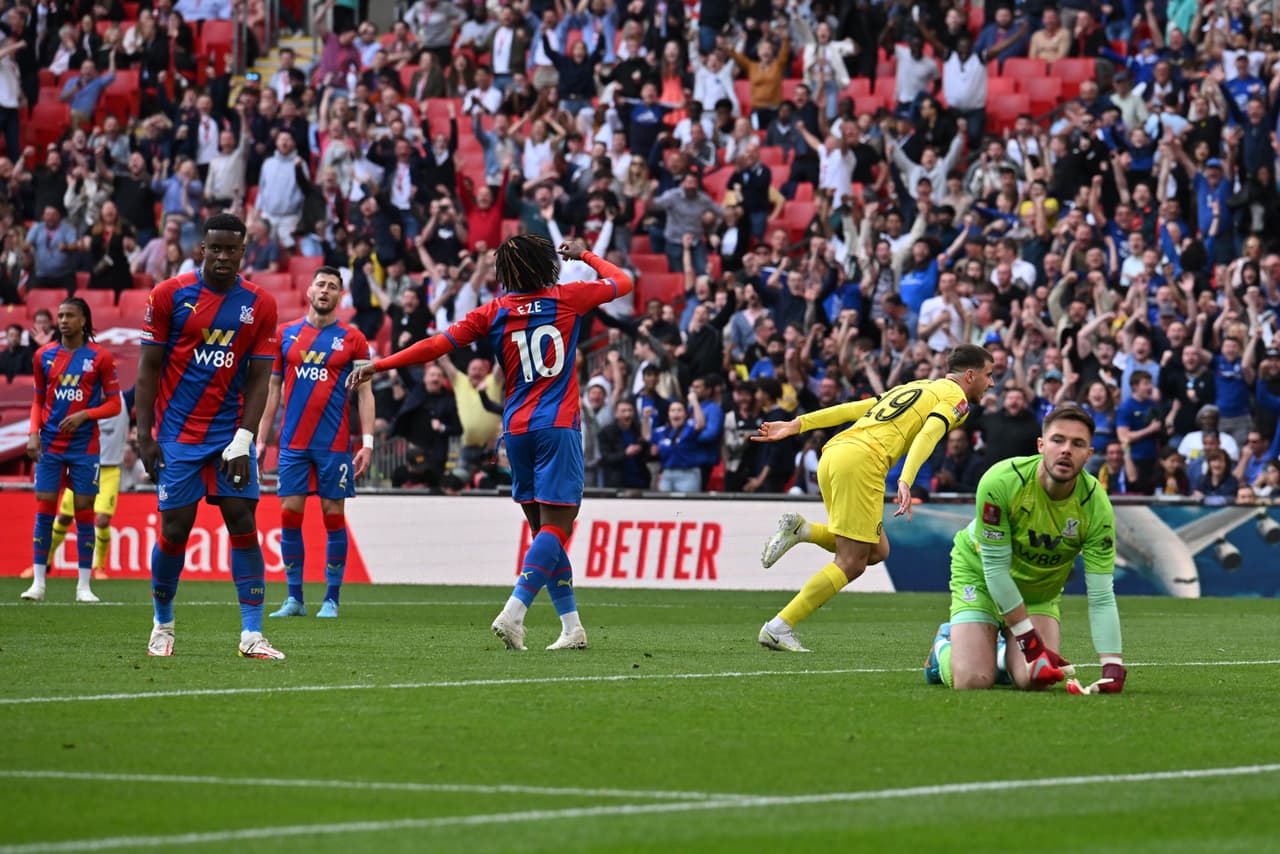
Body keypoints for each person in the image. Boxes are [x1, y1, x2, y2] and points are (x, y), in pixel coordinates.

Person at [349, 235, 633, 651]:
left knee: (542, 531)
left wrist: (381, 364)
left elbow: (435, 345)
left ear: (505, 274)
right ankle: (515, 613)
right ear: (546, 266)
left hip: (516, 429)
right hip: (557, 425)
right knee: (558, 527)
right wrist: (584, 255)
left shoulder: (493, 311)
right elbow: (622, 281)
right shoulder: (569, 297)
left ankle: (572, 628)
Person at [751, 344, 995, 652]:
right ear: (970, 375)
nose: (992, 383)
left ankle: (803, 531)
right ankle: (778, 627)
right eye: (989, 375)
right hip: (863, 463)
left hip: (836, 454)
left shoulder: (918, 386)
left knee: (877, 550)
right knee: (852, 563)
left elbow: (854, 408)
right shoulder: (956, 400)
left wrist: (798, 423)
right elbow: (929, 433)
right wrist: (907, 479)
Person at [136, 213, 284, 660]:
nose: (222, 256)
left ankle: (251, 635)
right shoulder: (168, 296)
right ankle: (163, 624)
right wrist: (144, 435)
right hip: (179, 436)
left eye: (231, 249)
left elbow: (262, 378)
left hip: (229, 436)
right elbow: (148, 369)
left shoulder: (260, 304)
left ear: (244, 252)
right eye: (214, 248)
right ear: (201, 248)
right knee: (175, 530)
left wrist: (244, 437)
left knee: (243, 522)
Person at [923, 405, 1127, 696]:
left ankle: (1005, 654)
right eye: (1058, 440)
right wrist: (1030, 643)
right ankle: (943, 649)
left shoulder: (1096, 507)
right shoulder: (1001, 482)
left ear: (1089, 455)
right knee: (972, 680)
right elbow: (994, 569)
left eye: (1077, 444)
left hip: (1037, 593)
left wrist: (1112, 668)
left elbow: (1101, 594)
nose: (1066, 450)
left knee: (1034, 679)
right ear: (1041, 445)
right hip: (980, 575)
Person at [257, 267, 375, 620]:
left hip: (334, 446)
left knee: (332, 516)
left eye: (333, 287)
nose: (325, 290)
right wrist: (261, 439)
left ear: (340, 296)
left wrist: (367, 442)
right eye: (320, 284)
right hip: (293, 444)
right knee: (289, 515)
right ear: (309, 291)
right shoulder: (285, 335)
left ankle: (331, 600)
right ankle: (294, 600)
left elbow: (365, 394)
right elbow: (272, 391)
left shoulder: (353, 339)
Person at [22, 298, 122, 603]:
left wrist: (84, 414)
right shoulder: (43, 356)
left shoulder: (100, 357)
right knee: (44, 511)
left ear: (83, 321)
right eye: (60, 315)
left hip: (84, 447)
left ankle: (83, 586)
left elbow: (115, 404)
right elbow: (39, 400)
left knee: (84, 513)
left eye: (69, 316)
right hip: (50, 445)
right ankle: (39, 583)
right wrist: (32, 434)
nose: (63, 320)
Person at [34, 401, 131, 585]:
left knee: (101, 519)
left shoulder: (124, 400)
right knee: (64, 517)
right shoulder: (83, 400)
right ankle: (44, 562)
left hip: (108, 470)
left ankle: (99, 567)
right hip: (83, 465)